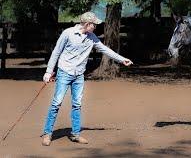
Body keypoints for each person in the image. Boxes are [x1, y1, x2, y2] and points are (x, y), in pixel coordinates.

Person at [41, 12, 133, 146]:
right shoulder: (68, 33)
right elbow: (56, 52)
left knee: (77, 104)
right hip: (64, 73)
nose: (95, 27)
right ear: (87, 24)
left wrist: (122, 59)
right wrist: (48, 72)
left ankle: (75, 134)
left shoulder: (92, 37)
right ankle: (47, 133)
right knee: (57, 103)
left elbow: (105, 50)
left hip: (79, 75)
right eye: (94, 24)